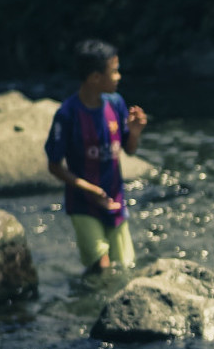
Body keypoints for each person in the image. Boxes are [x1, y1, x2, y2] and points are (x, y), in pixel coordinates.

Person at [45, 39, 148, 273]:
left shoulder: (116, 104)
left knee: (123, 268)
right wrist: (89, 189)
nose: (119, 76)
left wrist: (134, 132)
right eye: (114, 72)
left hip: (115, 200)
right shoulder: (68, 114)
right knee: (101, 268)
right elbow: (54, 165)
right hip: (84, 203)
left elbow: (129, 149)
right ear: (94, 78)